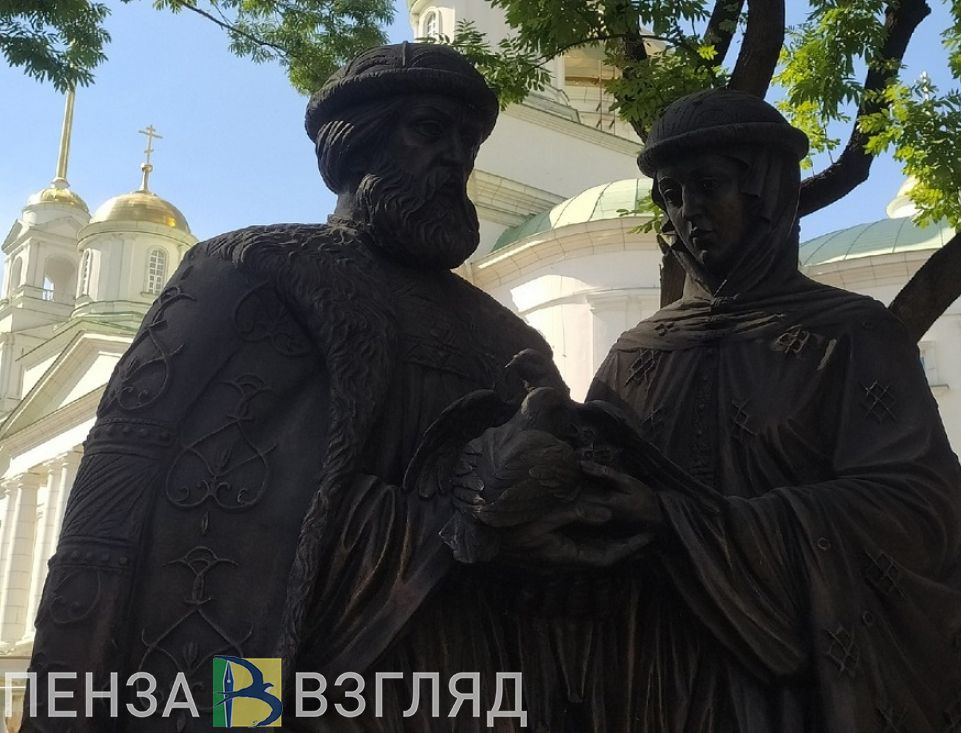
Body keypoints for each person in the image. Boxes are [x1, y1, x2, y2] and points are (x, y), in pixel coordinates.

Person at [24, 43, 596, 732]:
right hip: (276, 685)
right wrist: (456, 511)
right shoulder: (256, 269)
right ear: (357, 144)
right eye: (428, 130)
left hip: (476, 683)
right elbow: (127, 490)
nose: (456, 157)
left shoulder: (505, 337)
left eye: (468, 141)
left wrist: (552, 483)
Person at [560, 89, 961, 732]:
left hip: (795, 688)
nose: (689, 211)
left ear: (768, 194)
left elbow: (917, 510)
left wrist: (684, 523)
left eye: (709, 185)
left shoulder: (853, 334)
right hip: (652, 672)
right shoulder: (637, 351)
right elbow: (594, 497)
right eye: (672, 194)